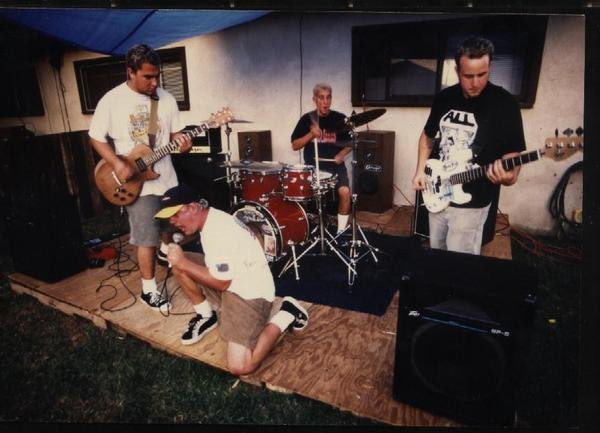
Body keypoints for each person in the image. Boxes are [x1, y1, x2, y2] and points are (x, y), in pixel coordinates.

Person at [155, 185, 309, 375]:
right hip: (235, 279)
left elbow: (222, 283)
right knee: (178, 262)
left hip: (250, 294)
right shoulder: (211, 219)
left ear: (194, 207)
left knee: (240, 366)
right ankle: (206, 316)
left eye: (175, 214)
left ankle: (287, 313)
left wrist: (182, 262)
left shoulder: (219, 231)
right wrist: (179, 260)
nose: (172, 221)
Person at [88, 44, 192, 311]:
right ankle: (149, 290)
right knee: (146, 237)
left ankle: (166, 255)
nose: (154, 82)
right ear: (130, 72)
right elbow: (95, 137)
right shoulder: (111, 100)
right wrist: (116, 163)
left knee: (169, 228)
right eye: (147, 77)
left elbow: (176, 136)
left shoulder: (166, 99)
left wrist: (184, 143)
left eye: (157, 76)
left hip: (166, 179)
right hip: (136, 184)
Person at [412, 36, 526, 255]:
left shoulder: (506, 104)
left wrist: (509, 176)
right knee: (436, 253)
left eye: (482, 74)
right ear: (457, 71)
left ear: (490, 67)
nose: (475, 83)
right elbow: (427, 136)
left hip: (472, 203)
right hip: (438, 193)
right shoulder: (444, 98)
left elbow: (513, 154)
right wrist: (419, 171)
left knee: (461, 263)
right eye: (468, 76)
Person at [291, 83, 352, 234]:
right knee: (304, 196)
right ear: (315, 100)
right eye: (321, 98)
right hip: (314, 167)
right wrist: (311, 134)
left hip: (335, 167)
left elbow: (351, 142)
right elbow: (295, 145)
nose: (325, 102)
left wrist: (342, 154)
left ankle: (340, 232)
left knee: (345, 193)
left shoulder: (340, 118)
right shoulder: (307, 119)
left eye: (328, 97)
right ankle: (308, 226)